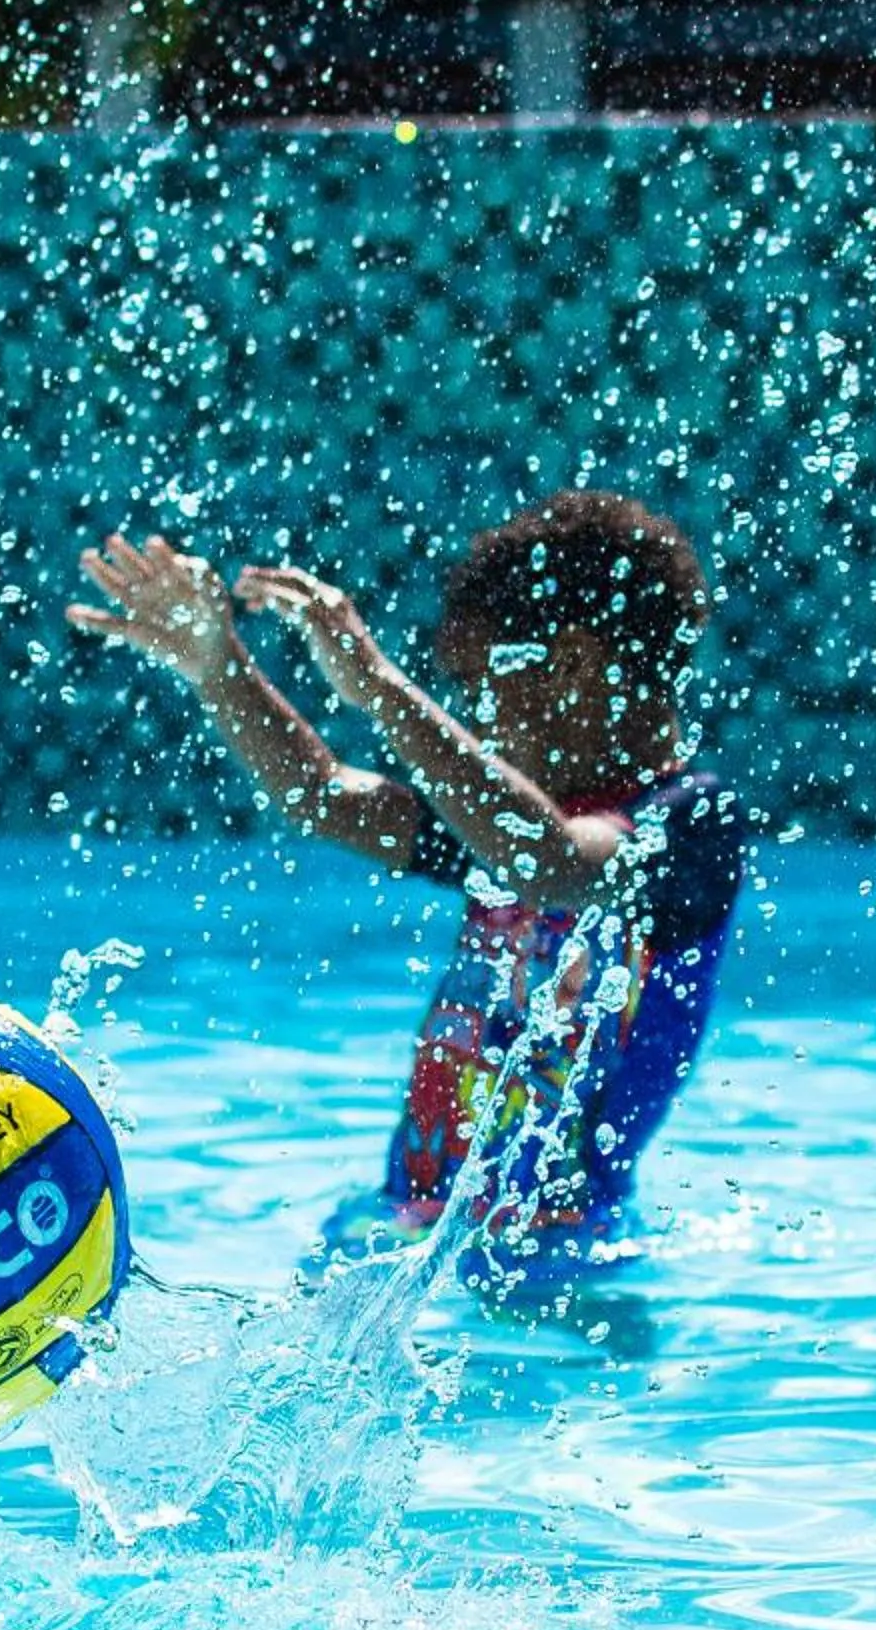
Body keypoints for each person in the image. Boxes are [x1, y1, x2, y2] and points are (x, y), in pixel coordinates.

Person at [68, 491, 744, 1275]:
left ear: (574, 665)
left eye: (478, 686)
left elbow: (552, 864)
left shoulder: (690, 824)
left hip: (566, 1242)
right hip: (410, 1216)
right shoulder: (499, 821)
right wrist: (219, 666)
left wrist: (381, 687)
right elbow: (322, 798)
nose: (478, 724)